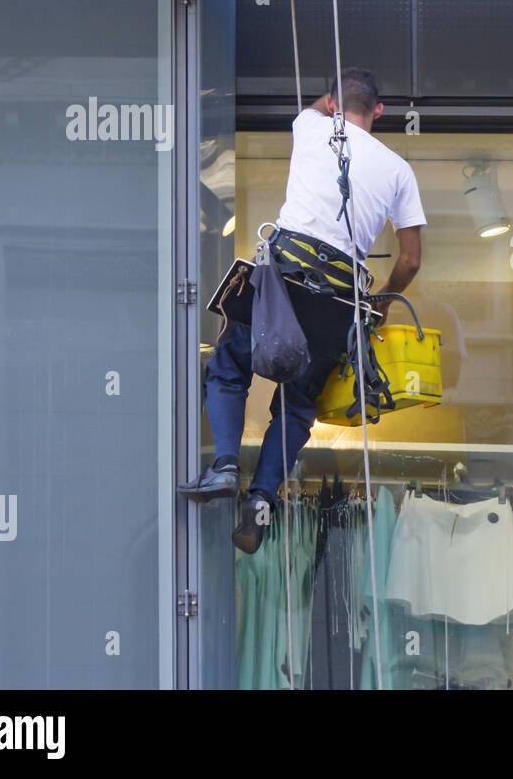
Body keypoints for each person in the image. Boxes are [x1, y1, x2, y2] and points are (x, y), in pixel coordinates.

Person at [179, 67, 426, 553]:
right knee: (296, 405)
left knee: (230, 366)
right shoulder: (399, 169)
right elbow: (411, 259)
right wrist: (379, 303)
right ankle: (262, 499)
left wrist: (330, 100)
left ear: (334, 102)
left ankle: (226, 464)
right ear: (379, 111)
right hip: (339, 297)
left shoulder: (313, 126)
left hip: (285, 276)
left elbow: (320, 107)